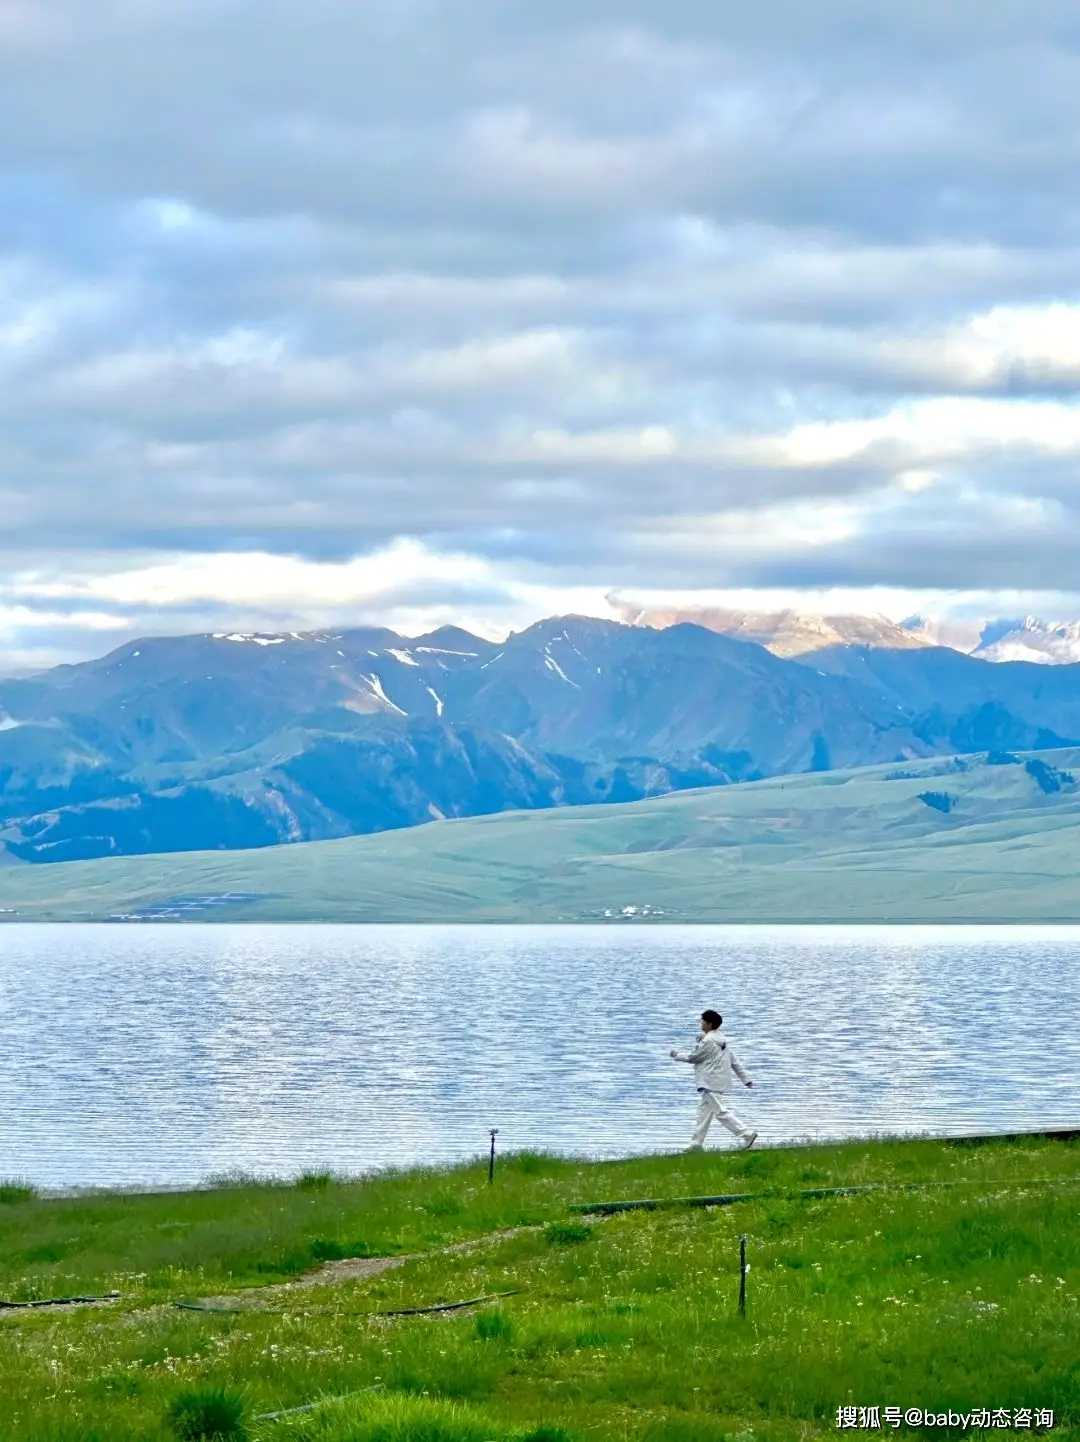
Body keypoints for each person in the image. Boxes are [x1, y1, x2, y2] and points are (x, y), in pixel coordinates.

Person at [670, 1009, 757, 1151]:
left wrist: (676, 1055)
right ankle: (696, 1144)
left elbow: (693, 1057)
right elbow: (734, 1061)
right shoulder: (722, 1040)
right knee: (702, 1115)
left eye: (702, 1021)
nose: (700, 1023)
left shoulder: (708, 1041)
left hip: (709, 1082)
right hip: (716, 1082)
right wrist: (745, 1079)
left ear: (709, 1024)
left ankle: (746, 1134)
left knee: (721, 1112)